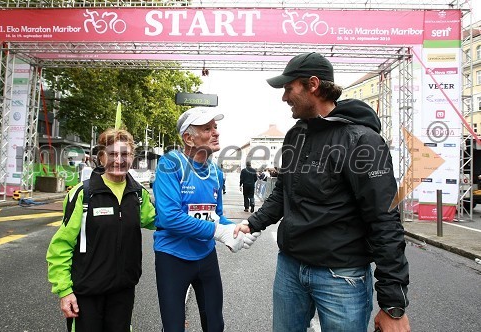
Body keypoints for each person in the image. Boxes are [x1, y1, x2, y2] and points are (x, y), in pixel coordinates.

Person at [235, 52, 410, 332]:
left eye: (289, 89)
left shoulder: (362, 140)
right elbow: (283, 192)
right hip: (290, 269)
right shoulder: (296, 134)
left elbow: (384, 219)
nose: (284, 97)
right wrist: (252, 223)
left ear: (313, 85)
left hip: (341, 277)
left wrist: (393, 305)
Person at [153, 107, 260, 332]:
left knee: (215, 324)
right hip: (173, 257)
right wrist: (218, 232)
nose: (216, 133)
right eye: (207, 128)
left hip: (205, 256)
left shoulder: (215, 171)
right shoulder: (170, 164)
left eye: (215, 127)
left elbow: (216, 215)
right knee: (173, 327)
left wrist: (238, 229)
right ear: (188, 138)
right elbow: (170, 217)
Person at [46, 128, 156, 332]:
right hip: (87, 293)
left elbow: (160, 221)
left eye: (125, 154)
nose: (119, 160)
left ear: (132, 157)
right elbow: (61, 246)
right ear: (102, 156)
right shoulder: (83, 194)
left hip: (123, 290)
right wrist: (64, 291)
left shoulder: (138, 194)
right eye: (113, 154)